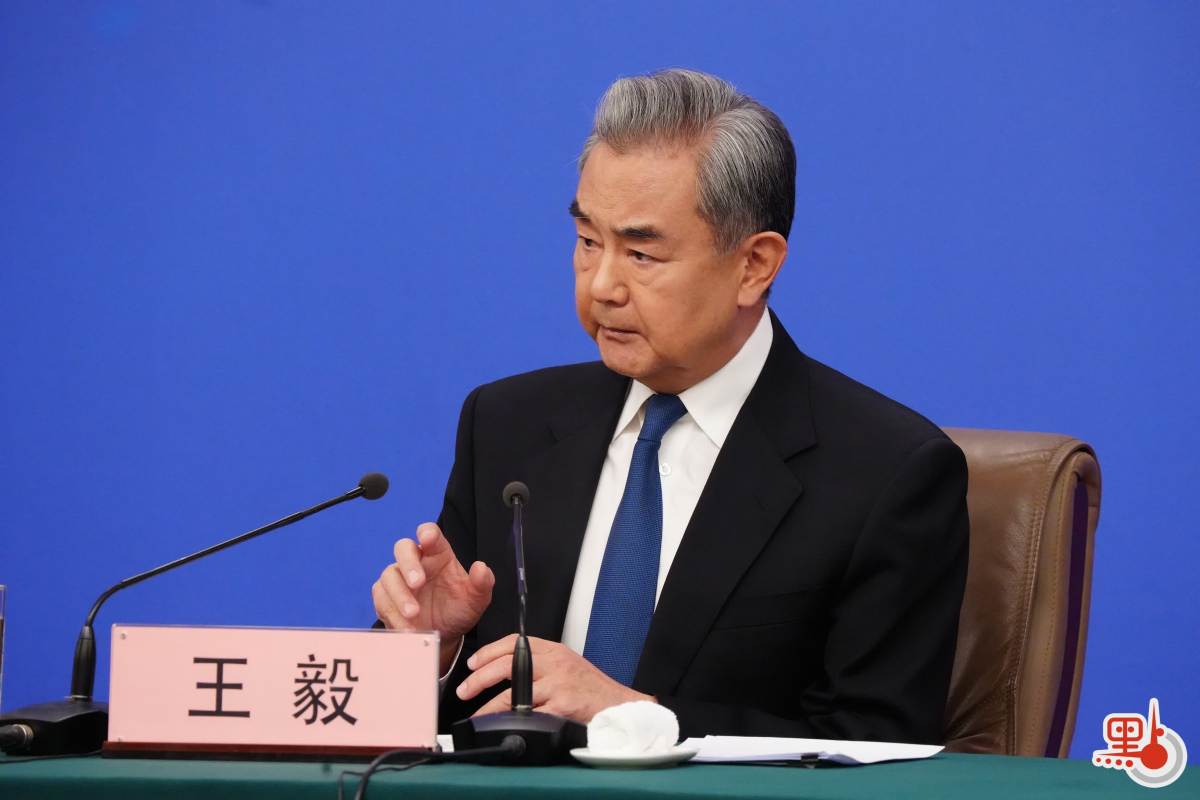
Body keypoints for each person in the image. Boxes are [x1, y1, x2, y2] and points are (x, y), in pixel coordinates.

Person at [372, 69, 969, 744]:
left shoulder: (885, 473)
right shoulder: (508, 425)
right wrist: (433, 654)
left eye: (641, 253)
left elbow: (880, 744)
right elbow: (427, 732)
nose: (602, 285)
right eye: (588, 241)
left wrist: (633, 714)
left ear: (754, 265)